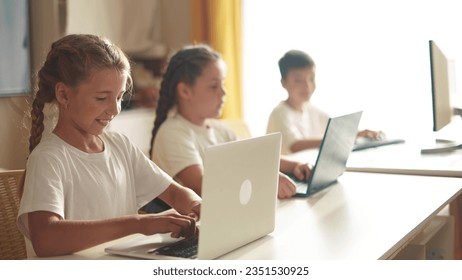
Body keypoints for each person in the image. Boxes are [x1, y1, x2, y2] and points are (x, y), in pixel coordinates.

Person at [17, 34, 201, 258]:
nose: (114, 110)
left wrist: (196, 206)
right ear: (64, 94)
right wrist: (138, 224)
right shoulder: (48, 159)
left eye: (119, 98)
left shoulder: (120, 146)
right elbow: (46, 239)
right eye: (102, 98)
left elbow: (175, 192)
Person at [148, 44, 310, 205]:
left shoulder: (218, 128)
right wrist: (264, 178)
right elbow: (202, 185)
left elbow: (254, 155)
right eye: (213, 86)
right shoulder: (172, 133)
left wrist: (296, 165)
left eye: (223, 84)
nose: (223, 92)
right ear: (185, 91)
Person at [267, 49, 383, 155]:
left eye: (311, 79)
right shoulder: (280, 113)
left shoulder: (311, 110)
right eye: (298, 81)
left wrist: (359, 133)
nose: (307, 86)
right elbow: (295, 145)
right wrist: (348, 136)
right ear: (284, 83)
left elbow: (336, 129)